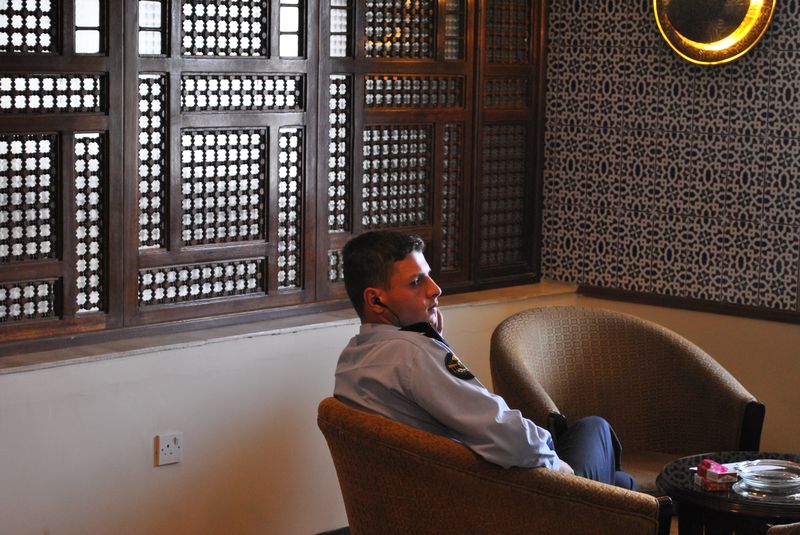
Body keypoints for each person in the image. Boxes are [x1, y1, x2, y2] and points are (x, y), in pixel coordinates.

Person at [333, 230, 635, 489]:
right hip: (496, 504)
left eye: (429, 276)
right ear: (375, 300)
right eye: (416, 282)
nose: (435, 289)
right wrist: (558, 466)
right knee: (596, 429)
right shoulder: (414, 354)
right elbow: (507, 436)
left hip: (422, 497)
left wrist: (435, 341)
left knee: (621, 485)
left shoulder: (352, 359)